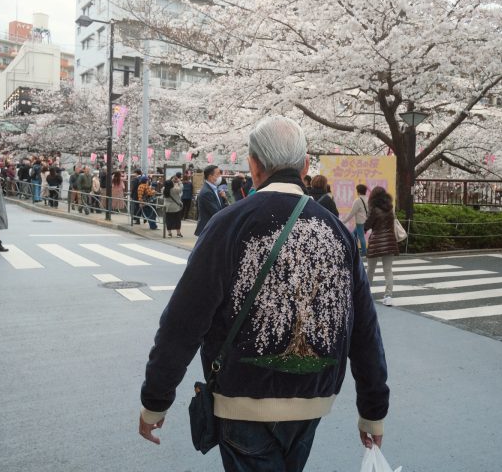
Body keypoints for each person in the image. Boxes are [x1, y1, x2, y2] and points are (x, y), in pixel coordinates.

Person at [139, 116, 389, 470]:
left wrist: (156, 399)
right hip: (313, 401)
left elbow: (184, 321)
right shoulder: (336, 230)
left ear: (253, 164)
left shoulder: (229, 224)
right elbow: (365, 328)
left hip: (240, 400)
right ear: (304, 166)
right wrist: (373, 410)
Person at [365, 186, 399, 305]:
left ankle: (366, 294)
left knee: (370, 270)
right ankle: (388, 295)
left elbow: (367, 224)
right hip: (390, 242)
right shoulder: (390, 208)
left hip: (376, 243)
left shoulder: (373, 209)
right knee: (388, 270)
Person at [194, 165, 224, 236]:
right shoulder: (206, 192)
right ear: (210, 177)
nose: (220, 176)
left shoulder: (215, 189)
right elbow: (216, 211)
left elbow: (222, 207)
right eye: (218, 174)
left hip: (213, 228)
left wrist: (224, 198)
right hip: (208, 229)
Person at [342, 184, 369, 256]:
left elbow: (352, 213)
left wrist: (343, 221)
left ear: (358, 191)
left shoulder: (358, 201)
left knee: (361, 237)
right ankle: (354, 250)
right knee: (353, 235)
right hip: (366, 221)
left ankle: (364, 252)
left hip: (360, 222)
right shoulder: (367, 199)